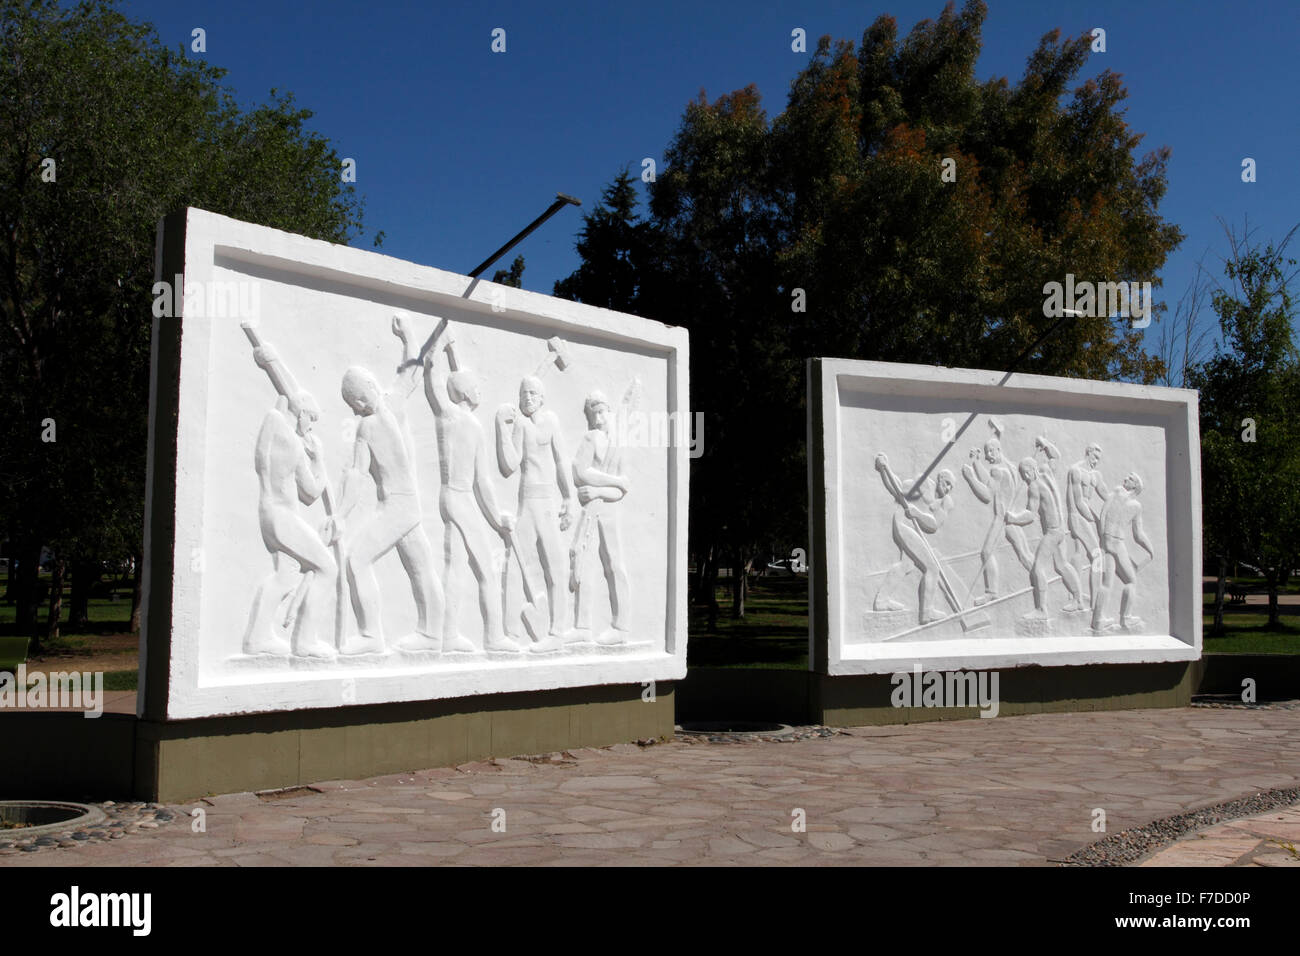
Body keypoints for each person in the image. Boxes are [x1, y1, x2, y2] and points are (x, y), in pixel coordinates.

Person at [335, 314, 444, 654]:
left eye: (359, 398)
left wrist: (339, 514)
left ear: (370, 388)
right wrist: (407, 334)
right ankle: (432, 634)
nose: (359, 406)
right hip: (404, 503)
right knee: (420, 563)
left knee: (356, 558)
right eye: (353, 404)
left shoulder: (377, 418)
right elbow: (412, 368)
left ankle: (371, 636)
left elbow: (413, 366)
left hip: (398, 504)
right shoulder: (387, 408)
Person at [422, 320, 520, 653]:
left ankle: (450, 636)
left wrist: (497, 519)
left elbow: (484, 482)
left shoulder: (459, 420)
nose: (481, 391)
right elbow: (435, 379)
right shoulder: (454, 419)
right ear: (465, 393)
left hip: (452, 498)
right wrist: (437, 344)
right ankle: (493, 637)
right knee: (487, 570)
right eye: (475, 387)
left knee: (456, 567)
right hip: (458, 499)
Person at [241, 368, 337, 658]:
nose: (312, 426)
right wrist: (319, 459)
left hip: (267, 515)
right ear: (303, 414)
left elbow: (281, 403)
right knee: (328, 568)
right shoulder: (294, 444)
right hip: (284, 518)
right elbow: (311, 491)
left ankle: (257, 639)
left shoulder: (270, 429)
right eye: (312, 419)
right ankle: (306, 641)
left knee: (285, 577)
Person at [495, 375, 574, 652]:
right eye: (522, 394)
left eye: (532, 393)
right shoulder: (521, 425)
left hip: (548, 502)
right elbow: (510, 465)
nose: (527, 398)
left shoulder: (551, 421)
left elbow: (562, 459)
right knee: (516, 563)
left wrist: (568, 497)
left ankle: (557, 632)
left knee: (557, 566)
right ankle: (512, 634)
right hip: (527, 501)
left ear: (541, 397)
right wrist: (502, 429)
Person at [570, 390, 631, 644]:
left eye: (601, 411)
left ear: (609, 411)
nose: (598, 417)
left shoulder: (619, 444)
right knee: (584, 562)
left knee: (614, 564)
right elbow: (580, 473)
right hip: (591, 510)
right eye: (593, 413)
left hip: (609, 510)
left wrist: (599, 488)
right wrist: (612, 483)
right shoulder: (590, 438)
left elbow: (624, 486)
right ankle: (583, 627)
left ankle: (621, 627)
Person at [872, 454, 956, 625]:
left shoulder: (946, 502)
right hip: (904, 523)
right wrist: (884, 469)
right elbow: (898, 489)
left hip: (913, 525)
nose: (947, 488)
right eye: (945, 482)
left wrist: (918, 513)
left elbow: (933, 525)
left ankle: (881, 601)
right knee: (932, 568)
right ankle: (926, 613)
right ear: (939, 478)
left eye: (950, 486)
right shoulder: (925, 485)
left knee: (907, 565)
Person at [1004, 457, 1086, 621]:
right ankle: (1078, 600)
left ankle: (1042, 610)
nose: (1025, 477)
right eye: (1023, 474)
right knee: (1062, 565)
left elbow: (1030, 515)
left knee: (1037, 568)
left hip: (1053, 532)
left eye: (1026, 473)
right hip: (1060, 529)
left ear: (1031, 471)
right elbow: (1053, 459)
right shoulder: (1047, 477)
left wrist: (1012, 518)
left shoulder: (1034, 486)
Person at [962, 437, 1033, 605]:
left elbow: (987, 494)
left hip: (1001, 519)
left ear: (996, 450)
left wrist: (970, 477)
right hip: (1012, 516)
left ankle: (992, 592)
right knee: (1024, 554)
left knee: (987, 552)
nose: (987, 457)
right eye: (985, 454)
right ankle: (1039, 578)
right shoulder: (1011, 466)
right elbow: (991, 481)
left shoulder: (998, 470)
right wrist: (976, 463)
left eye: (989, 453)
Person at [1091, 472, 1154, 631]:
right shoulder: (1134, 505)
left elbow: (1103, 514)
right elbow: (1138, 535)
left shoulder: (1116, 493)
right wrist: (1149, 550)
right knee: (1131, 580)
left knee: (1107, 583)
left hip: (1107, 541)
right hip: (1117, 542)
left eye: (1131, 479)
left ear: (1135, 487)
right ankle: (1125, 619)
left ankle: (1098, 620)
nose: (1126, 478)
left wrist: (1103, 537)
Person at [1066, 442, 1106, 601]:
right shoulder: (1076, 471)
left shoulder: (1096, 475)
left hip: (1088, 515)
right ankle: (1091, 599)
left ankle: (1078, 596)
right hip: (1078, 516)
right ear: (1088, 452)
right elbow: (1078, 501)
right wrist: (1095, 519)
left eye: (1098, 459)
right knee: (1096, 555)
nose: (1096, 461)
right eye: (1095, 457)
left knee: (1080, 553)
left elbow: (1105, 494)